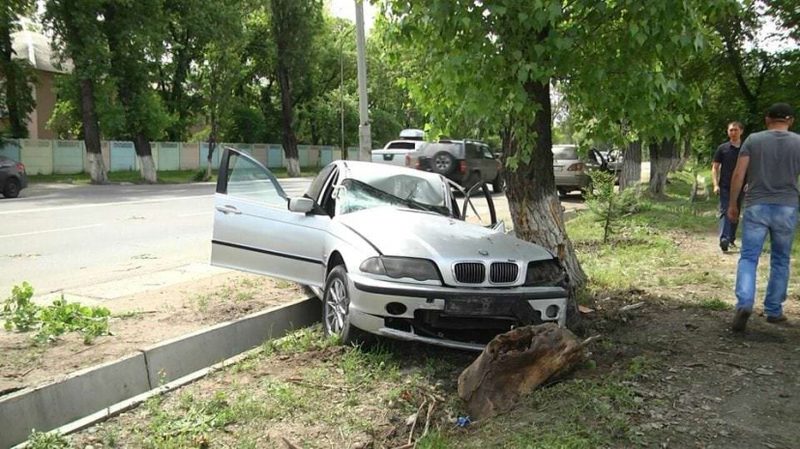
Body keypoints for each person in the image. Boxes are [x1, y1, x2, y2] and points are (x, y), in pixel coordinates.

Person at [727, 103, 800, 332]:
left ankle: (745, 303)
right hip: (787, 207)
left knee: (749, 257)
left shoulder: (753, 140)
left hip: (756, 205)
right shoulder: (798, 142)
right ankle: (773, 310)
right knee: (780, 258)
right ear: (791, 120)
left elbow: (739, 174)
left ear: (767, 119)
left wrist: (732, 204)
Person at [712, 121, 744, 252]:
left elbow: (752, 167)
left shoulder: (746, 149)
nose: (733, 132)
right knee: (726, 210)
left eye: (736, 130)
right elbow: (715, 167)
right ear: (727, 132)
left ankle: (731, 238)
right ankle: (724, 238)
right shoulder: (723, 148)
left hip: (742, 186)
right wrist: (715, 184)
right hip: (725, 185)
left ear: (741, 131)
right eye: (731, 130)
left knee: (735, 211)